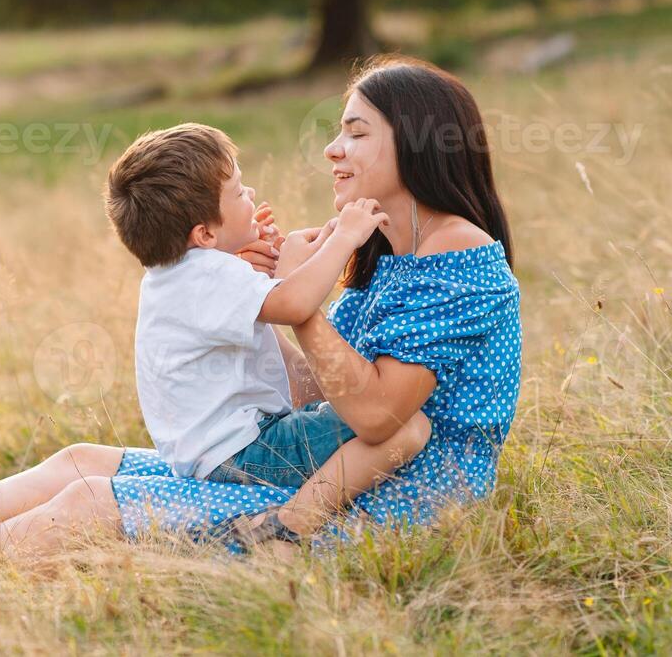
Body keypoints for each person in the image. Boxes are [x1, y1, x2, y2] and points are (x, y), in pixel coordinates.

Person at [0, 55, 521, 564]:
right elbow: (319, 399)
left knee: (90, 505)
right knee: (79, 462)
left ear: (415, 142)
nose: (332, 150)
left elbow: (379, 417)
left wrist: (294, 306)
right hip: (326, 468)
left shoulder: (456, 256)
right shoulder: (388, 253)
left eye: (354, 133)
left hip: (402, 504)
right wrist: (254, 285)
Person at [103, 123, 431, 548]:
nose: (252, 194)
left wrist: (264, 266)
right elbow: (294, 303)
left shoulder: (182, 274)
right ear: (204, 234)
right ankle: (287, 528)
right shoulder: (208, 274)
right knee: (405, 425)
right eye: (238, 192)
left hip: (218, 454)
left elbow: (273, 302)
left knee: (356, 416)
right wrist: (345, 237)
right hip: (247, 453)